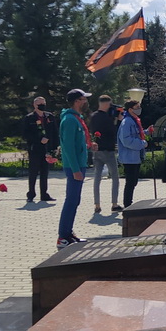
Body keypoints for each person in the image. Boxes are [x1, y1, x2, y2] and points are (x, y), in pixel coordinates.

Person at [58, 89, 94, 249]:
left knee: (75, 200)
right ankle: (63, 236)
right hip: (75, 166)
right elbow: (68, 147)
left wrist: (89, 146)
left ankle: (68, 232)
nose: (86, 102)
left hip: (79, 164)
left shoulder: (76, 118)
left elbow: (77, 143)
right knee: (71, 200)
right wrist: (75, 169)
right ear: (76, 101)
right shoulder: (70, 120)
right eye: (83, 99)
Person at [20, 96, 58, 203]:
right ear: (34, 105)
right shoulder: (29, 118)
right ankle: (31, 194)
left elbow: (55, 132)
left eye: (43, 103)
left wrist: (55, 147)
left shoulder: (49, 116)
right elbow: (25, 134)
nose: (42, 106)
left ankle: (44, 194)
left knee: (45, 172)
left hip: (47, 149)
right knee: (33, 172)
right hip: (35, 149)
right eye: (39, 104)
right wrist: (39, 139)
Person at [90, 95, 122, 213]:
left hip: (97, 149)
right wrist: (118, 120)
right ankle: (114, 204)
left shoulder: (93, 116)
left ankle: (97, 205)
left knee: (97, 177)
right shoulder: (107, 118)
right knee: (115, 177)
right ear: (106, 104)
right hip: (108, 150)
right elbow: (114, 131)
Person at [118, 99, 148, 207]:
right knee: (130, 182)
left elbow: (137, 133)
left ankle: (128, 204)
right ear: (130, 109)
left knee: (133, 182)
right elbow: (126, 140)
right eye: (137, 107)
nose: (139, 109)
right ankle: (127, 205)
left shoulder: (134, 120)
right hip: (129, 157)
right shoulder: (127, 122)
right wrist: (142, 144)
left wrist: (147, 132)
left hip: (134, 157)